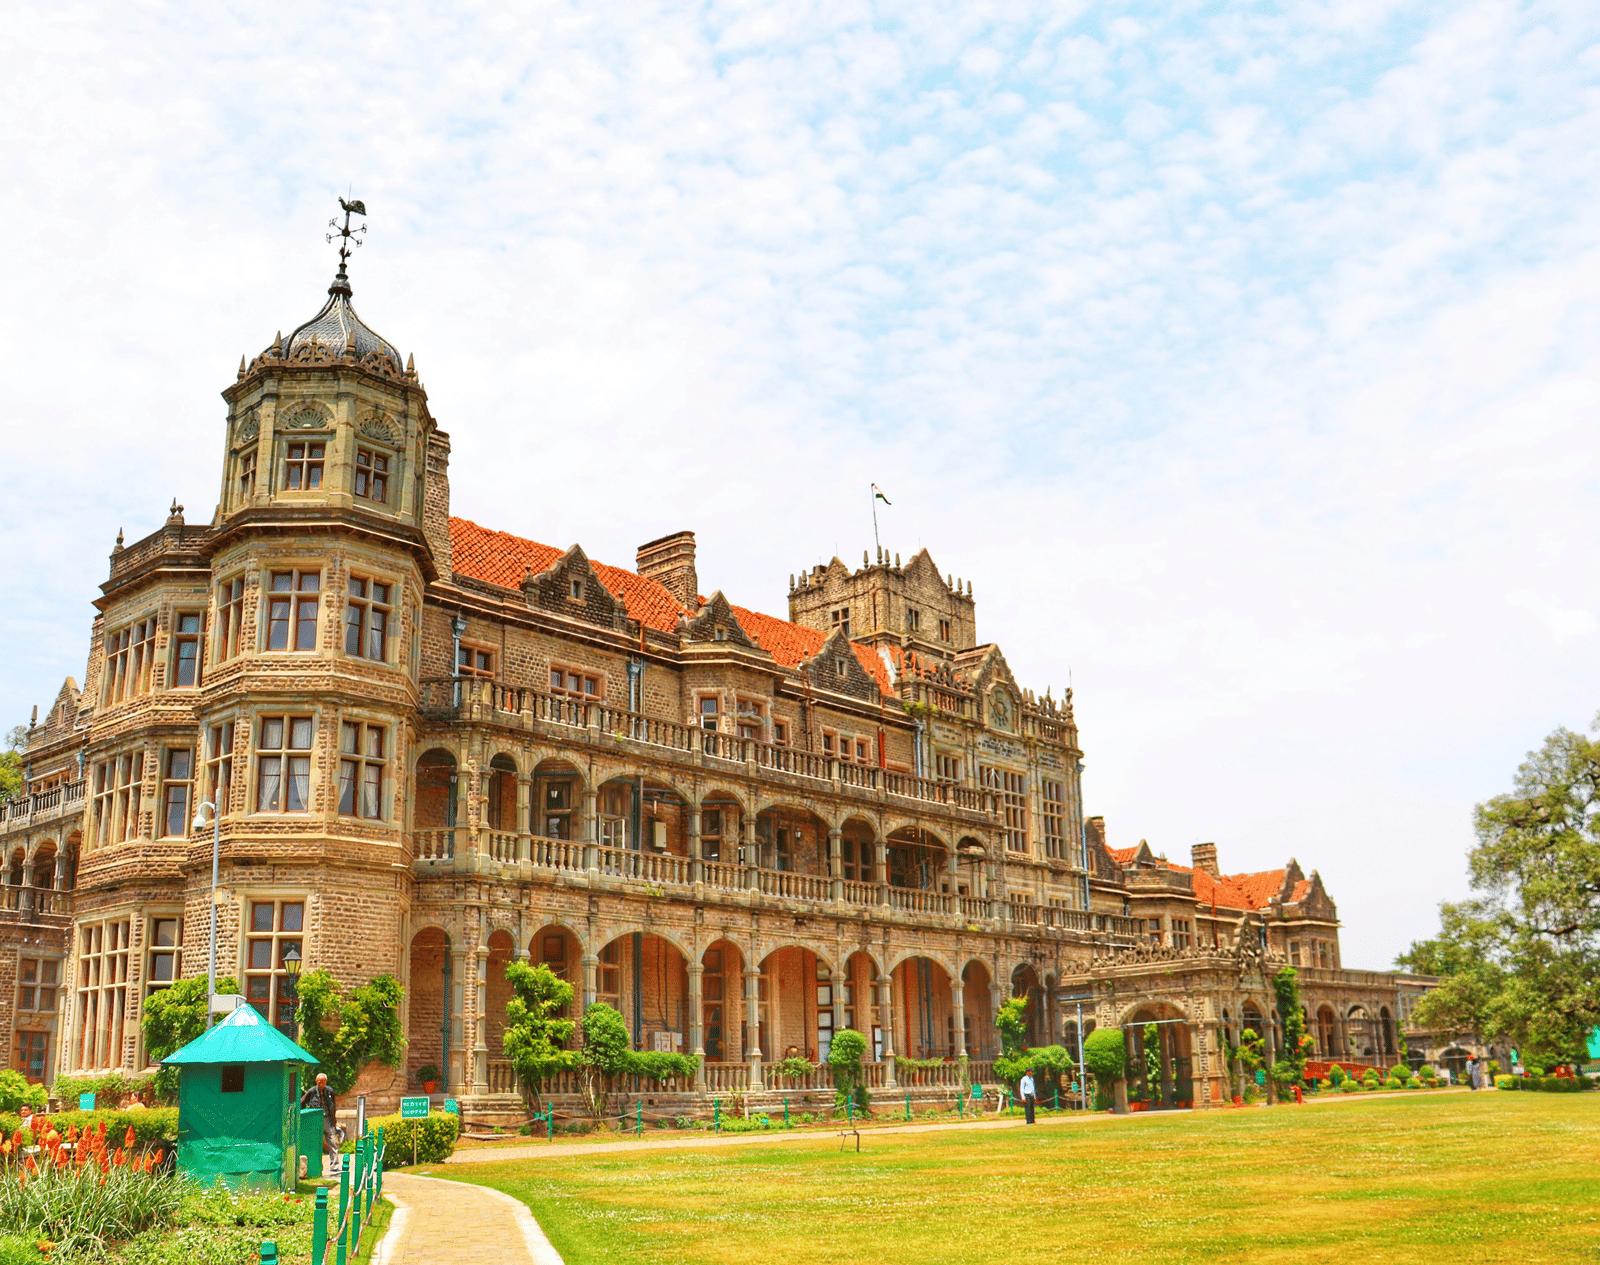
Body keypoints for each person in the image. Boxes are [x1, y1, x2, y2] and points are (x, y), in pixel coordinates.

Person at [301, 1072, 340, 1171]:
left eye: (323, 1082)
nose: (321, 1084)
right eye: (319, 1082)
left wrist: (334, 1120)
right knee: (315, 1143)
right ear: (316, 1082)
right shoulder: (311, 1091)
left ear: (326, 1082)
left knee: (332, 1141)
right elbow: (302, 1102)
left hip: (327, 1119)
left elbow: (333, 1106)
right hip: (315, 1120)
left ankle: (334, 1165)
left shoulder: (330, 1091)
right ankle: (315, 1166)